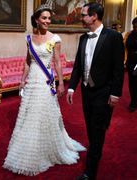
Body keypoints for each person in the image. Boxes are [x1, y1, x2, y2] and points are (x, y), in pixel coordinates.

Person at [3, 4, 85, 176]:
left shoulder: (54, 39)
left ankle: (46, 148)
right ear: (37, 20)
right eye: (44, 18)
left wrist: (62, 83)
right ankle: (28, 147)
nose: (48, 21)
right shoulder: (29, 39)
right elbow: (27, 61)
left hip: (46, 81)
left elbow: (57, 62)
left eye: (49, 18)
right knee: (29, 113)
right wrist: (22, 80)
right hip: (32, 79)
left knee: (42, 112)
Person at [66, 3, 124, 180]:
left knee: (97, 131)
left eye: (83, 15)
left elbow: (118, 69)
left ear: (93, 16)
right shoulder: (83, 38)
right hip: (86, 92)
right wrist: (71, 87)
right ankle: (95, 152)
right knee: (92, 130)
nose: (81, 18)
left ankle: (89, 173)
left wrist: (115, 93)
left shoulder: (113, 37)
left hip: (103, 92)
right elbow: (78, 66)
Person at [125, 17, 137, 112]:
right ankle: (133, 101)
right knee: (132, 83)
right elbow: (125, 47)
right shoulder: (130, 34)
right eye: (134, 25)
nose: (135, 27)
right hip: (130, 61)